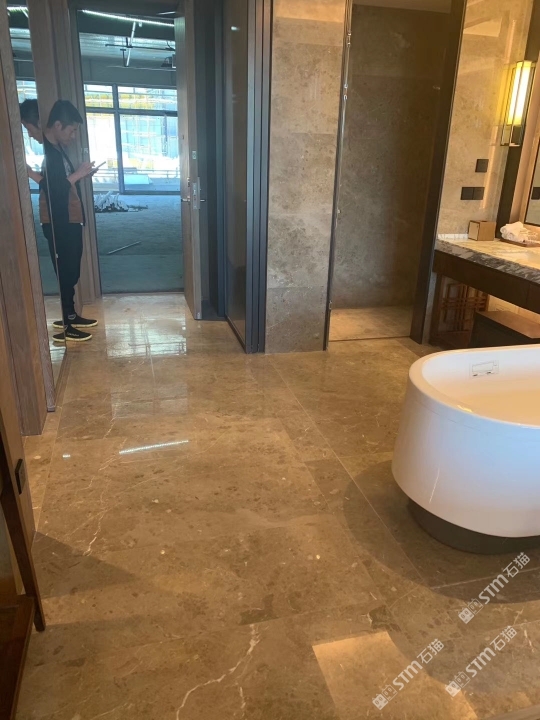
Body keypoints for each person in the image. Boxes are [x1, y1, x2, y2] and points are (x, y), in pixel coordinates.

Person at [21, 98, 97, 342]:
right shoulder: (50, 151)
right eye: (71, 130)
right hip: (58, 220)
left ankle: (70, 315)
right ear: (57, 125)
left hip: (69, 217)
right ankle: (67, 324)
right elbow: (54, 189)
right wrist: (77, 175)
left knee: (71, 270)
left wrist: (79, 175)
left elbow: (56, 182)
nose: (73, 136)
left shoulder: (56, 150)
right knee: (66, 271)